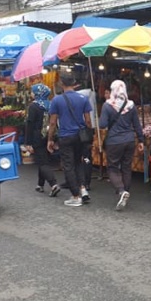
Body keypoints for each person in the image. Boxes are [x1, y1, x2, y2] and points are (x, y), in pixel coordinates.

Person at [47, 74, 93, 207]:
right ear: (74, 83)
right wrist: (88, 136)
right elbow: (88, 121)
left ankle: (75, 196)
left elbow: (53, 122)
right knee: (79, 163)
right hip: (80, 136)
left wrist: (50, 139)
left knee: (68, 166)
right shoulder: (83, 98)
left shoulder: (57, 100)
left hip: (65, 136)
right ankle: (83, 189)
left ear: (62, 84)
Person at [99, 80, 144, 211]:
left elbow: (102, 125)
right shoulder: (131, 105)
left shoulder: (107, 106)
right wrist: (140, 140)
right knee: (126, 167)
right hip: (129, 140)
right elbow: (136, 124)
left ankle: (121, 190)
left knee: (112, 167)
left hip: (114, 141)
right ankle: (126, 192)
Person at [23, 84, 60, 197]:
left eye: (33, 92)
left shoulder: (33, 106)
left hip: (37, 137)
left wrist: (28, 142)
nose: (31, 94)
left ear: (38, 93)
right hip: (49, 135)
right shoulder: (51, 104)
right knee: (43, 158)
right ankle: (40, 184)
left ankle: (53, 184)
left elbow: (30, 124)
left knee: (43, 162)